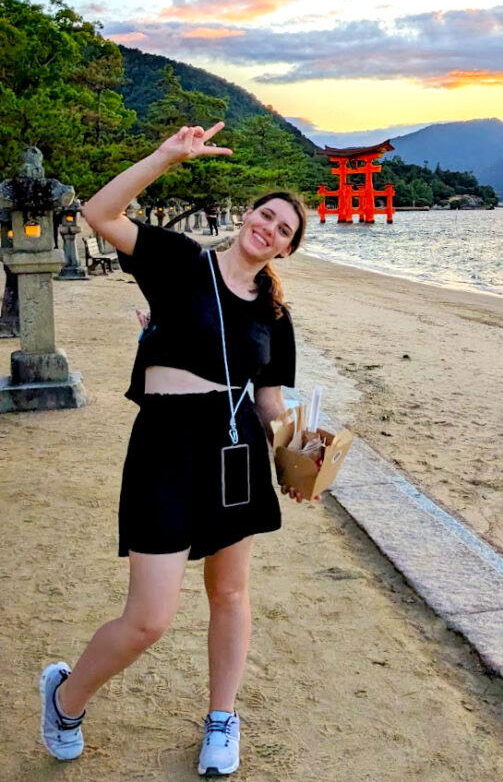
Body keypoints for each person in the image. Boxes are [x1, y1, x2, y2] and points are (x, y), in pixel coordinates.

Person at [39, 121, 308, 776]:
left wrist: (299, 460)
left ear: (287, 251)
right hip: (165, 445)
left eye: (282, 230)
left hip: (237, 451)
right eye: (264, 215)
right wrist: (165, 156)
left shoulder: (275, 315)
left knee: (231, 594)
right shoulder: (179, 261)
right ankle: (64, 699)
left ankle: (223, 718)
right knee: (149, 619)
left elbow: (271, 402)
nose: (268, 229)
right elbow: (100, 213)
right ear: (246, 215)